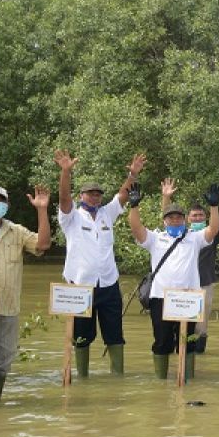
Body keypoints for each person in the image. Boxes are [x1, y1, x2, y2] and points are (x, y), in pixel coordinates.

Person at [128, 179, 219, 379]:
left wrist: (214, 206)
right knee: (162, 341)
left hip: (189, 298)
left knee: (188, 341)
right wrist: (134, 206)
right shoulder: (155, 238)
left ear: (184, 220)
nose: (175, 220)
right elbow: (136, 229)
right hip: (160, 298)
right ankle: (161, 381)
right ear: (164, 220)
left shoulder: (194, 237)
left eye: (178, 218)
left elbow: (214, 229)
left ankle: (187, 378)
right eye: (170, 218)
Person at [54, 149, 142, 377]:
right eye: (90, 194)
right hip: (80, 286)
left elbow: (122, 196)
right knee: (81, 338)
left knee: (115, 335)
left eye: (98, 194)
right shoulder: (70, 217)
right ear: (81, 196)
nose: (95, 197)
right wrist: (66, 172)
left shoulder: (107, 213)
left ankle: (117, 378)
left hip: (109, 284)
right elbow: (64, 198)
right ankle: (82, 378)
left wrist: (132, 176)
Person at [0, 184, 51, 402]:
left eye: (0, 201)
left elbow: (43, 244)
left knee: (1, 363)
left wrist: (41, 210)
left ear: (7, 205)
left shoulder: (17, 231)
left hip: (7, 308)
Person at [162, 179, 219, 354]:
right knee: (174, 325)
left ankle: (198, 359)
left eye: (201, 216)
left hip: (204, 285)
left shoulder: (210, 235)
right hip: (179, 286)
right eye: (194, 216)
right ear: (187, 218)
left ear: (206, 218)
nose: (197, 218)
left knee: (200, 327)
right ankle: (179, 358)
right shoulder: (180, 234)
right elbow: (166, 216)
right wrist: (166, 197)